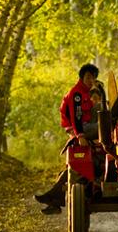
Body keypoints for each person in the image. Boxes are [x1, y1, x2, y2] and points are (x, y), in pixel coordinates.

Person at [36, 63, 101, 214]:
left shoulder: (87, 93)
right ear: (81, 77)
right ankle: (53, 197)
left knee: (77, 166)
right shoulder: (77, 93)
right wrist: (80, 136)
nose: (91, 81)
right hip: (81, 129)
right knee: (107, 126)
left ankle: (53, 197)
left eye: (93, 78)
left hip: (84, 127)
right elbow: (76, 117)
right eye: (88, 77)